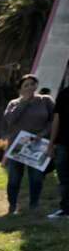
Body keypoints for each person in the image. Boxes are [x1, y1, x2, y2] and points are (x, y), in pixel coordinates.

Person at [2, 74, 55, 216]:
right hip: (18, 145)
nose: (30, 87)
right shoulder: (14, 103)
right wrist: (24, 102)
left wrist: (43, 134)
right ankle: (12, 206)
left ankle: (34, 205)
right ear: (20, 89)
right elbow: (10, 120)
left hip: (39, 144)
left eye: (32, 84)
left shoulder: (46, 101)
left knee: (36, 177)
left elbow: (54, 120)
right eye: (26, 85)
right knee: (14, 178)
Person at [50, 83, 69, 219]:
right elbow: (57, 119)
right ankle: (65, 209)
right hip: (63, 143)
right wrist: (51, 143)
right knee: (63, 178)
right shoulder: (64, 94)